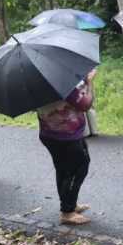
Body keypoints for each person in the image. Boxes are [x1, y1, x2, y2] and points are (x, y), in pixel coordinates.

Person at [37, 70, 95, 226]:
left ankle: (69, 205)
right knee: (78, 169)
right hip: (68, 136)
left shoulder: (38, 81)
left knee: (63, 170)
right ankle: (67, 212)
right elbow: (85, 104)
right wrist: (89, 82)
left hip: (49, 134)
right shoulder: (62, 81)